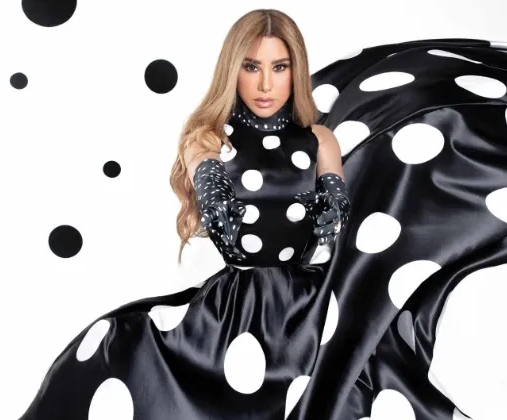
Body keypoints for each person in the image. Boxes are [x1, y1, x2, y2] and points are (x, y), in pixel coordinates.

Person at [18, 9, 350, 420]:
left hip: (310, 309)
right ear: (232, 69)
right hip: (237, 311)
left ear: (295, 70)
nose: (266, 84)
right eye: (251, 67)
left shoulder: (320, 139)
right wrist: (218, 195)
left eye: (279, 67)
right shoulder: (208, 138)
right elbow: (220, 216)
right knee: (119, 347)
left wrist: (333, 207)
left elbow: (336, 217)